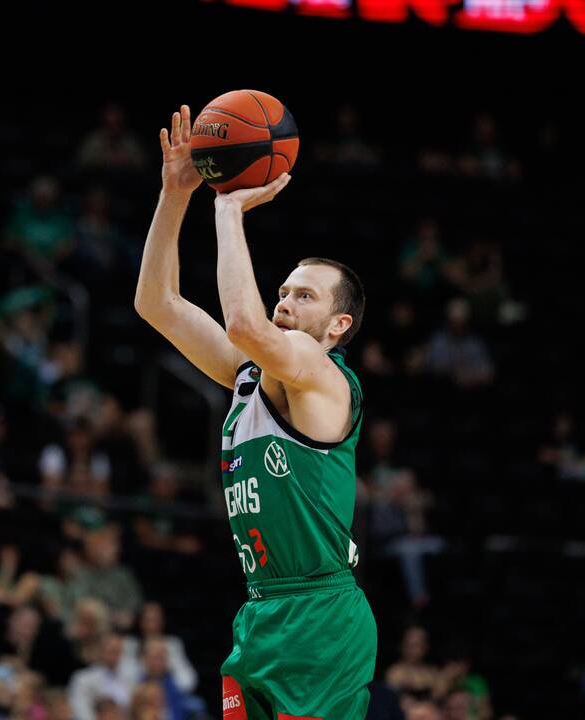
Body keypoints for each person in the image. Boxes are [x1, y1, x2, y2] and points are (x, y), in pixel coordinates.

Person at [134, 104, 375, 719]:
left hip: (321, 618)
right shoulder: (250, 375)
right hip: (262, 609)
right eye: (285, 291)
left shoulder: (321, 374)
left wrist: (227, 204)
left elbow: (242, 322)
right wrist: (174, 194)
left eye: (305, 296)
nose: (286, 302)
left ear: (337, 326)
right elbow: (155, 302)